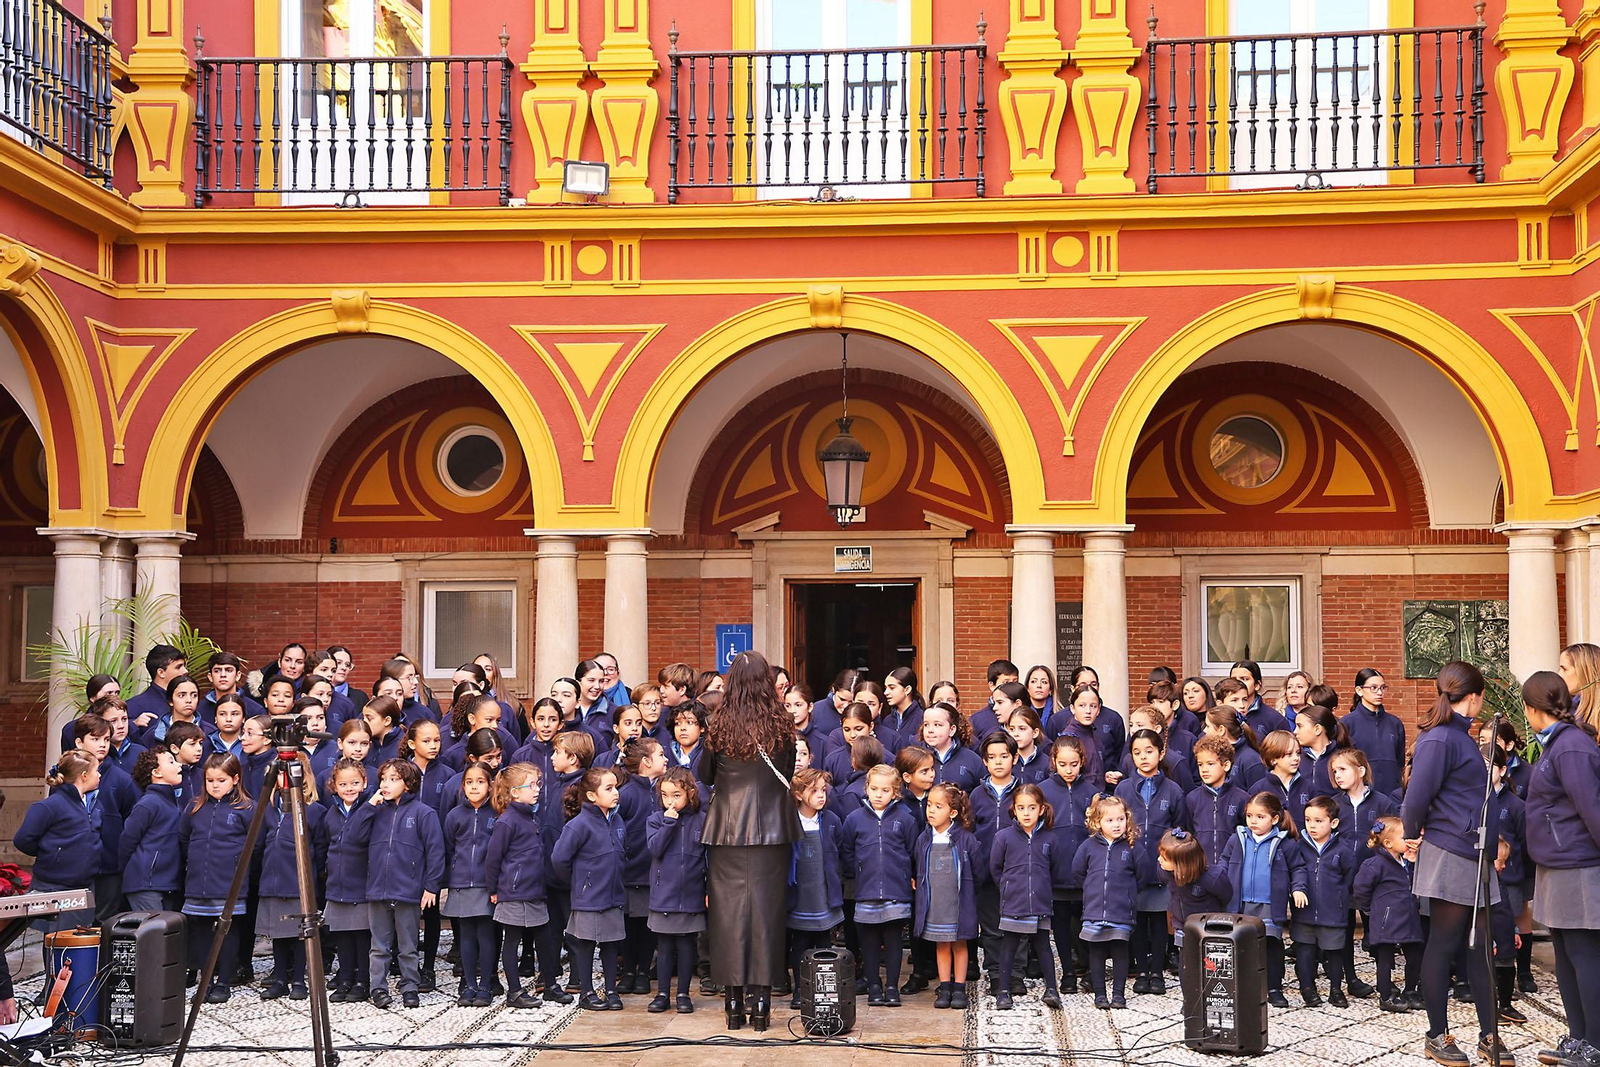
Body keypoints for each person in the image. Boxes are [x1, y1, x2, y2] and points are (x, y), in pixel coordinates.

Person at [1401, 661, 1510, 1067]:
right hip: (1450, 853)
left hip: (1475, 854)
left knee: (1481, 948)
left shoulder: (1460, 737)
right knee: (1445, 944)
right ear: (1475, 696)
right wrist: (1412, 833)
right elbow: (1416, 797)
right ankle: (1436, 1035)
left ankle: (1488, 1035)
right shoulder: (1440, 740)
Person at [697, 650, 800, 1033]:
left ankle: (733, 1006)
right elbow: (786, 774)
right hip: (773, 830)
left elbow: (706, 775)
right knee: (767, 917)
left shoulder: (718, 725)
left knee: (727, 918)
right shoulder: (782, 726)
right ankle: (762, 1008)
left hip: (726, 830)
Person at [1522, 670, 1600, 1067]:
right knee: (1566, 954)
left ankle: (1596, 1043)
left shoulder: (1571, 747)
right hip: (1555, 862)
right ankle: (1579, 1036)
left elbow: (1593, 810)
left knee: (1584, 955)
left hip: (1578, 864)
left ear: (1533, 709)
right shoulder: (1555, 744)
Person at [353, 759, 444, 1010]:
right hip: (378, 889)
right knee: (379, 945)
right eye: (383, 778)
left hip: (408, 890)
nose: (386, 784)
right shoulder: (375, 810)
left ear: (408, 783)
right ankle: (378, 988)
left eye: (393, 779)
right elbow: (353, 837)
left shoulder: (424, 813)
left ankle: (410, 986)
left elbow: (435, 851)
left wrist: (431, 886)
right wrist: (369, 806)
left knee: (408, 944)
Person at [485, 763, 568, 1008]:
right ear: (514, 792)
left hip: (535, 890)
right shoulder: (507, 821)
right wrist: (494, 890)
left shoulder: (531, 817)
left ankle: (550, 984)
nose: (536, 790)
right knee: (512, 939)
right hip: (514, 892)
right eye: (530, 785)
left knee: (545, 936)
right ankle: (515, 991)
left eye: (538, 784)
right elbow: (493, 859)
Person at [179, 753, 257, 1003]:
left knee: (227, 931)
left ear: (235, 779)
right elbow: (183, 838)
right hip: (198, 881)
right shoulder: (194, 807)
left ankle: (224, 981)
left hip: (230, 882)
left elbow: (258, 843)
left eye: (221, 780)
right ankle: (206, 981)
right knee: (201, 932)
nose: (215, 785)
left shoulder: (246, 808)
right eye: (210, 780)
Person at [840, 763, 919, 1007]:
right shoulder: (854, 819)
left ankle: (892, 986)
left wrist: (906, 875)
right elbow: (847, 851)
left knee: (894, 940)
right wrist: (861, 872)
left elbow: (912, 850)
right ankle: (874, 985)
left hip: (896, 890)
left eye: (885, 790)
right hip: (865, 891)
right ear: (867, 788)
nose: (878, 794)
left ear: (895, 792)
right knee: (869, 942)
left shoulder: (905, 819)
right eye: (874, 789)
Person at [1114, 727, 1185, 995]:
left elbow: (1181, 828)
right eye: (1137, 752)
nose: (1143, 757)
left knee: (1158, 921)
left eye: (1149, 751)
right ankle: (1141, 970)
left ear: (1161, 752)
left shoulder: (1174, 790)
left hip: (1161, 868)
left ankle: (1157, 971)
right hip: (1132, 866)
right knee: (1136, 921)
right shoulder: (1123, 788)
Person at [1219, 792, 1305, 1009]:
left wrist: (1298, 889)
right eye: (1249, 816)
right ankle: (1243, 986)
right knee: (1242, 945)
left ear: (1274, 819)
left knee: (1271, 945)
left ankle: (1274, 988)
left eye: (1260, 816)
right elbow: (1223, 862)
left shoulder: (1284, 843)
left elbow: (1298, 868)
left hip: (1269, 904)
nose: (1253, 821)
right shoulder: (1237, 838)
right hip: (1241, 904)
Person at [553, 766, 628, 1011]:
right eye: (608, 788)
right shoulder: (579, 825)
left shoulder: (617, 820)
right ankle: (586, 991)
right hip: (588, 897)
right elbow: (559, 859)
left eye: (615, 786)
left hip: (613, 894)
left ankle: (611, 990)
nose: (615, 792)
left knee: (611, 943)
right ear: (592, 796)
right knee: (585, 944)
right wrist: (578, 882)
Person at [258, 752, 328, 1001]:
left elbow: (320, 846)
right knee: (278, 932)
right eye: (278, 773)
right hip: (273, 879)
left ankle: (299, 977)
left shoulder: (314, 810)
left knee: (300, 933)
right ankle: (279, 977)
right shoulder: (270, 806)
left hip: (299, 880)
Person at [990, 782, 1061, 1011]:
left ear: (1041, 809)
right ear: (1014, 809)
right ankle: (1003, 991)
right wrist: (1009, 888)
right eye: (1021, 808)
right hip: (1014, 901)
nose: (1026, 813)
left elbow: (1055, 870)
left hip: (1040, 901)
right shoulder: (1004, 837)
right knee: (1009, 945)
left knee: (1043, 945)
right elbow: (995, 869)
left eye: (1032, 807)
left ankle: (1052, 989)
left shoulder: (1050, 839)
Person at [1072, 795, 1146, 1009]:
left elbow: (1142, 875)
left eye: (1120, 819)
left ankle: (1119, 995)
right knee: (1096, 953)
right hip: (1094, 910)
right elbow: (1077, 872)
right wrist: (1092, 889)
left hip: (1121, 910)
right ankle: (1100, 994)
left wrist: (1126, 893)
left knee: (1120, 952)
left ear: (1127, 819)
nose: (1116, 825)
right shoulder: (1088, 846)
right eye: (1110, 820)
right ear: (1097, 823)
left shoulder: (1132, 847)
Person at [645, 766, 708, 1015]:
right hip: (664, 894)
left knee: (686, 946)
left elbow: (708, 857)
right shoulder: (655, 819)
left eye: (676, 795)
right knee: (664, 946)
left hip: (691, 893)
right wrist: (668, 824)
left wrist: (708, 889)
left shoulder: (702, 820)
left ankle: (683, 993)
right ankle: (662, 993)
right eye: (665, 795)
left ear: (690, 793)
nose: (670, 801)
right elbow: (655, 849)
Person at [915, 782, 980, 1010]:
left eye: (938, 806)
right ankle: (944, 986)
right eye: (929, 805)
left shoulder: (965, 839)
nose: (931, 810)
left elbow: (978, 870)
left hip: (958, 903)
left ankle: (959, 988)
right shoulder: (924, 839)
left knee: (959, 944)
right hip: (935, 904)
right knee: (941, 945)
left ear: (952, 812)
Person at [1041, 735, 1097, 992]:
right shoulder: (1043, 790)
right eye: (1063, 764)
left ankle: (1087, 966)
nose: (1069, 770)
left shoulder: (1092, 792)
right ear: (1054, 761)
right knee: (1061, 926)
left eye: (1074, 764)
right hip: (1057, 870)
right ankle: (1067, 972)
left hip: (1087, 873)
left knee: (1087, 922)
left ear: (1082, 762)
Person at [786, 767, 844, 1009]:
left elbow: (839, 847)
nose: (821, 795)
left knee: (823, 942)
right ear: (799, 794)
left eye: (823, 790)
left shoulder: (831, 821)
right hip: (799, 895)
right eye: (814, 791)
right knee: (799, 942)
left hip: (823, 893)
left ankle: (823, 990)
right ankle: (801, 988)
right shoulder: (789, 821)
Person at [442, 763, 499, 1008]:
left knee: (486, 936)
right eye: (469, 782)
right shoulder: (454, 816)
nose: (474, 786)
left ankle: (486, 984)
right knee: (465, 936)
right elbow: (449, 847)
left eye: (480, 781)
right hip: (461, 883)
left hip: (487, 885)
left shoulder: (497, 813)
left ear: (490, 785)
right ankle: (469, 984)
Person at [1353, 814, 1423, 1013]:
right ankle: (1386, 996)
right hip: (1386, 919)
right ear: (1388, 843)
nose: (1408, 840)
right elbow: (1360, 888)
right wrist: (1371, 909)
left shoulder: (1408, 862)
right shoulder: (1374, 865)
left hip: (1409, 917)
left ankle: (1410, 990)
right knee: (1384, 959)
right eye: (1404, 837)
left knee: (1415, 955)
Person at [1292, 796, 1356, 1008]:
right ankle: (1307, 988)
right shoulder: (1299, 848)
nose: (1312, 825)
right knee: (1304, 951)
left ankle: (1336, 989)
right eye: (1308, 820)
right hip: (1304, 911)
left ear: (1333, 823)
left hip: (1332, 912)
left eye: (1319, 821)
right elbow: (1293, 872)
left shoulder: (1343, 850)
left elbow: (1349, 877)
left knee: (1334, 952)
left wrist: (1340, 899)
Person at [322, 758, 374, 1003]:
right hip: (337, 883)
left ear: (364, 783)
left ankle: (362, 980)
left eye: (355, 783)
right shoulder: (331, 812)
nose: (349, 788)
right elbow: (327, 843)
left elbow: (358, 834)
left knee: (361, 937)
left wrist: (367, 808)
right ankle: (344, 978)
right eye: (344, 784)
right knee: (342, 935)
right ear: (335, 786)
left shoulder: (370, 810)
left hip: (361, 883)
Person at [1159, 829, 1231, 1007]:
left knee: (1212, 966)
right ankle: (1190, 1001)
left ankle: (1214, 999)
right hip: (1183, 927)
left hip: (1209, 931)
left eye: (1164, 858)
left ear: (1181, 864)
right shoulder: (1166, 872)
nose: (1159, 860)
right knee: (1187, 968)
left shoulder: (1212, 878)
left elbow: (1226, 896)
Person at [120, 748, 186, 911]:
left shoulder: (171, 802)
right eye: (171, 761)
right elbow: (127, 842)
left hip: (165, 883)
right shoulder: (148, 803)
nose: (179, 765)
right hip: (145, 884)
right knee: (152, 933)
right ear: (156, 772)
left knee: (166, 933)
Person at [1342, 668, 1406, 799]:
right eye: (1374, 688)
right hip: (1361, 795)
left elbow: (1400, 762)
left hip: (1392, 794)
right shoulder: (1347, 723)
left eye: (1383, 688)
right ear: (1359, 690)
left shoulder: (1395, 723)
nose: (1379, 692)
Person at [1186, 736, 1248, 865]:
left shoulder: (1242, 798)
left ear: (1226, 765)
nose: (1204, 769)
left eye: (1210, 764)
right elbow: (1188, 835)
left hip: (1232, 868)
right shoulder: (1192, 798)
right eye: (1200, 764)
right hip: (1201, 869)